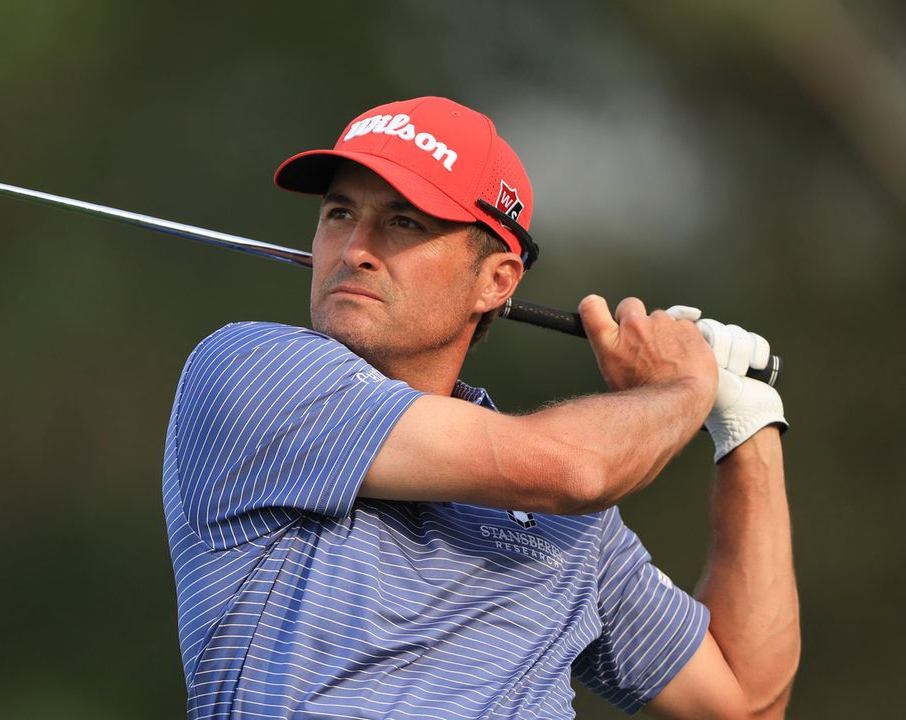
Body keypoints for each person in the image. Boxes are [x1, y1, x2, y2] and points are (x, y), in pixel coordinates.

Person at [161, 97, 798, 719]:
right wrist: (680, 388)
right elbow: (573, 469)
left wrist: (746, 424)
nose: (355, 247)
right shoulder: (251, 370)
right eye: (338, 214)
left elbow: (743, 700)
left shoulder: (575, 525)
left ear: (496, 280)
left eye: (404, 222)